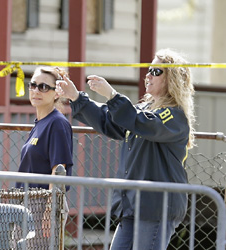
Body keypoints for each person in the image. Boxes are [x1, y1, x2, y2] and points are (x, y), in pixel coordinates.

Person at [56, 48, 196, 250]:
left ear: (171, 79)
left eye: (156, 72)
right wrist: (77, 97)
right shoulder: (143, 110)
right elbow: (108, 120)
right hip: (133, 204)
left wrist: (112, 95)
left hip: (156, 206)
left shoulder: (174, 116)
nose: (147, 75)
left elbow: (142, 122)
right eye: (149, 69)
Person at [15, 66, 73, 247]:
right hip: (28, 204)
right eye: (33, 85)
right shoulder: (41, 122)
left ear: (57, 93)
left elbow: (58, 168)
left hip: (43, 204)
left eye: (44, 87)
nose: (36, 91)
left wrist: (50, 208)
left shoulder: (57, 123)